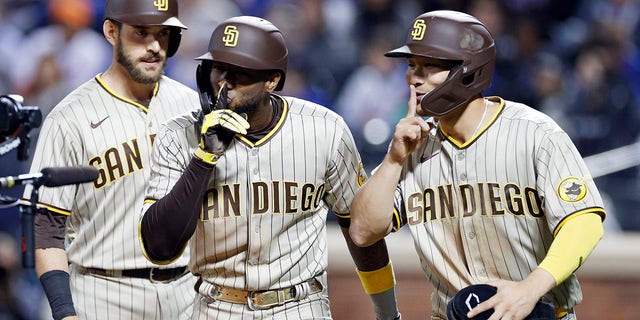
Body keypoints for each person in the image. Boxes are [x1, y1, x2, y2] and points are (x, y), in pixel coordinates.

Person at [349, 10, 606, 320]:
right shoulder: (411, 148)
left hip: (539, 312)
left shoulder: (534, 132)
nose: (413, 78)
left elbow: (585, 221)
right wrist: (393, 159)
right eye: (411, 65)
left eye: (429, 66)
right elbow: (363, 232)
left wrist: (531, 287)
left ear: (470, 71)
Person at [139, 16, 401, 320]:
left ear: (272, 80)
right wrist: (203, 158)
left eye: (239, 73)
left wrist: (388, 314)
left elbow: (360, 233)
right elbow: (159, 248)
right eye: (218, 68)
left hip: (300, 305)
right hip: (217, 306)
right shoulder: (179, 134)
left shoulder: (324, 130)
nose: (225, 82)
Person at [22, 0, 199, 319]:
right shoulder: (70, 118)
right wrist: (64, 311)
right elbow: (47, 226)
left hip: (186, 292)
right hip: (104, 293)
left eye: (163, 34)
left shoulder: (190, 106)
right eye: (141, 33)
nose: (154, 46)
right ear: (111, 31)